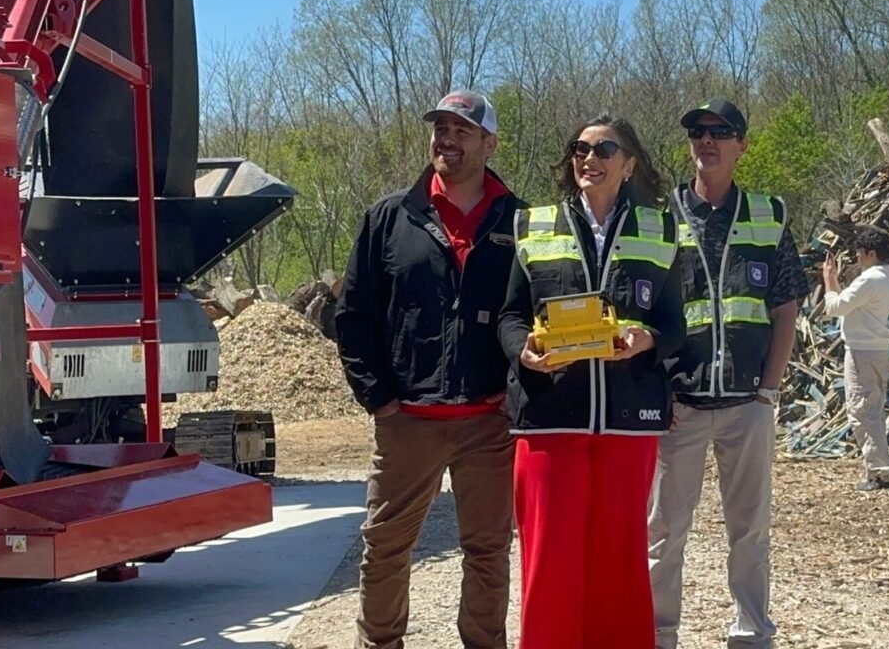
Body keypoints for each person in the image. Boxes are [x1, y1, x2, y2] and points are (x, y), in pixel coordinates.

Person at [335, 90, 521, 649]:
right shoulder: (390, 218)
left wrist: (517, 395)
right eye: (440, 128)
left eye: (462, 130)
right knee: (386, 546)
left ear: (489, 143)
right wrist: (380, 400)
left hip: (489, 422)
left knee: (488, 552)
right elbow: (354, 314)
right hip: (407, 422)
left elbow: (535, 314)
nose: (447, 139)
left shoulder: (522, 220)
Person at [498, 116, 684, 649]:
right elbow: (511, 316)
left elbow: (676, 324)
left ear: (628, 164)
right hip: (550, 418)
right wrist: (523, 352)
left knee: (619, 565)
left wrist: (647, 339)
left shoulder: (661, 229)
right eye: (579, 147)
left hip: (628, 425)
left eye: (605, 148)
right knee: (549, 566)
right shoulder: (532, 225)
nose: (589, 157)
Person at [648, 97, 808, 649]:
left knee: (750, 530)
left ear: (741, 144)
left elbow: (785, 307)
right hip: (679, 405)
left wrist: (769, 389)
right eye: (697, 131)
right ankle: (659, 632)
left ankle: (750, 632)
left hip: (747, 403)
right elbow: (640, 313)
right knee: (663, 531)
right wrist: (655, 393)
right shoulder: (659, 217)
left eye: (720, 132)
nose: (707, 141)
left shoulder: (767, 214)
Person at [821, 227, 889, 491]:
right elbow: (846, 304)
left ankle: (880, 471)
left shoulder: (870, 279)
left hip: (861, 352)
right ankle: (878, 469)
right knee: (872, 410)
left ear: (871, 253)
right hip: (877, 350)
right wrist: (832, 281)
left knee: (862, 412)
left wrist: (827, 282)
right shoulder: (885, 279)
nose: (857, 258)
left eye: (860, 253)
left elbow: (835, 307)